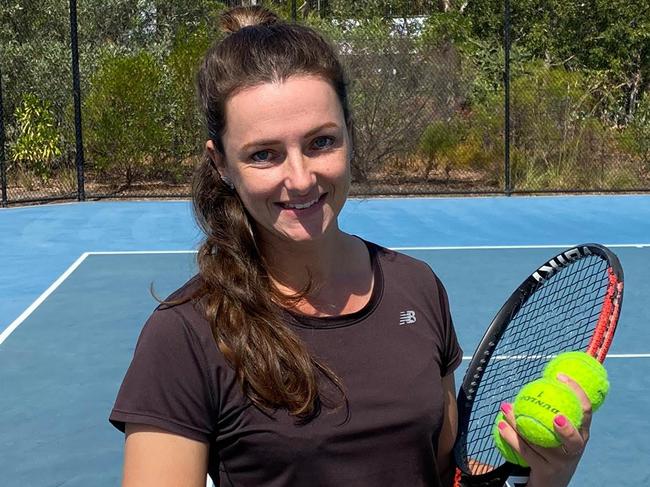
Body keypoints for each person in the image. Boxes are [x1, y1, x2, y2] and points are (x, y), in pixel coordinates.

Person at [109, 6, 593, 486]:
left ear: (349, 134)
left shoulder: (416, 287)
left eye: (321, 142)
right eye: (263, 154)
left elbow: (444, 473)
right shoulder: (185, 335)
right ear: (221, 165)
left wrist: (549, 476)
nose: (300, 178)